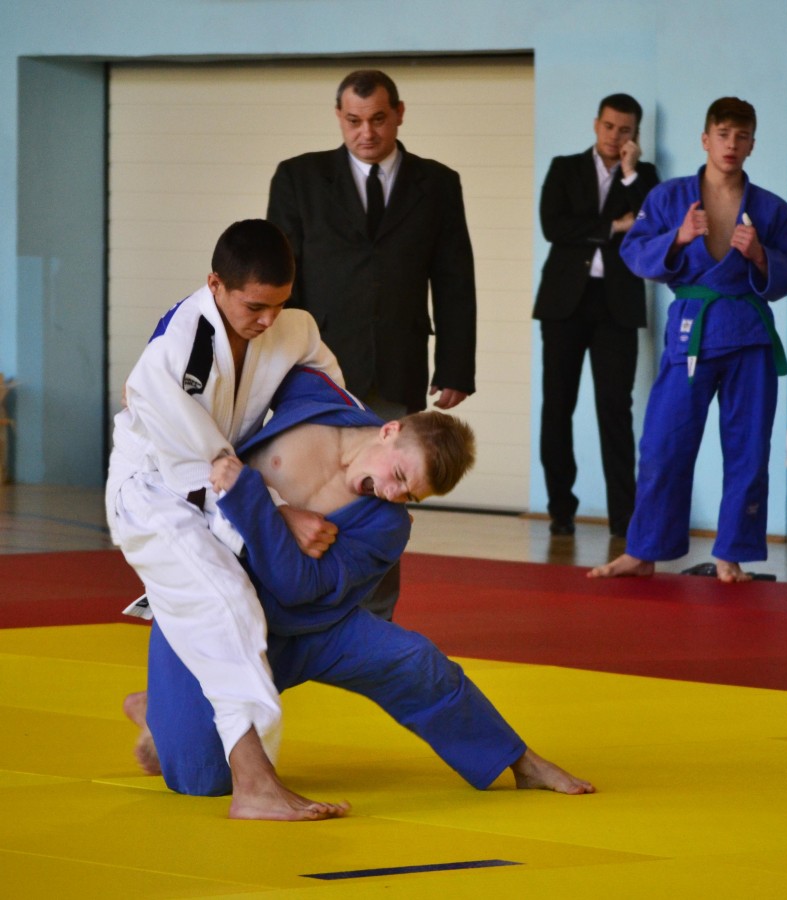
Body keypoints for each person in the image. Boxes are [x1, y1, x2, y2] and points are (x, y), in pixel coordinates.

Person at [125, 366, 595, 801]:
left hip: (313, 628)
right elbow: (268, 352)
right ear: (389, 431)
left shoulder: (387, 525)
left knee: (416, 662)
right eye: (399, 475)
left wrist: (253, 499)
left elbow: (299, 587)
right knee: (202, 780)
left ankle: (521, 761)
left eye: (409, 495)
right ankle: (163, 707)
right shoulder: (317, 401)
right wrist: (154, 389)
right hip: (213, 614)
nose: (392, 494)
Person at [106, 219, 349, 821]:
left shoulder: (295, 329)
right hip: (154, 493)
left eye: (280, 304)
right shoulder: (177, 352)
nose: (268, 320)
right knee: (227, 604)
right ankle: (255, 783)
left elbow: (329, 405)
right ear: (215, 284)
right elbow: (203, 469)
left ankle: (161, 709)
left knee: (244, 608)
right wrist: (277, 513)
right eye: (255, 306)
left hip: (225, 483)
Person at [267, 68, 478, 620]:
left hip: (395, 364)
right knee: (303, 488)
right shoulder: (298, 178)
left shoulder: (438, 183)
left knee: (385, 497)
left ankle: (374, 620)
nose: (367, 133)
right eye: (354, 121)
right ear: (339, 117)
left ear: (399, 114)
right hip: (313, 371)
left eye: (379, 119)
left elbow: (454, 277)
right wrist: (274, 361)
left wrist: (456, 365)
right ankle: (289, 609)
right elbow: (281, 280)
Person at [589, 97, 787, 583]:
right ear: (706, 139)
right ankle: (644, 551)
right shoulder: (670, 198)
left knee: (748, 449)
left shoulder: (770, 208)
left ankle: (731, 556)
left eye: (741, 136)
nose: (731, 144)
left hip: (749, 336)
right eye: (723, 134)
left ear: (752, 144)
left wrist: (761, 256)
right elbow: (634, 251)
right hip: (692, 333)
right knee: (664, 445)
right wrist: (679, 238)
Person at [534, 94, 660, 538]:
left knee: (615, 410)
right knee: (557, 407)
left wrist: (629, 172)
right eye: (609, 126)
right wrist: (614, 226)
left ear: (635, 135)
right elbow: (554, 226)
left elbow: (652, 224)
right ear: (596, 124)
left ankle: (624, 518)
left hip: (617, 306)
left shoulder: (645, 176)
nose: (614, 136)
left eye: (625, 130)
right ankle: (560, 510)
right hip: (564, 304)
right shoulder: (564, 168)